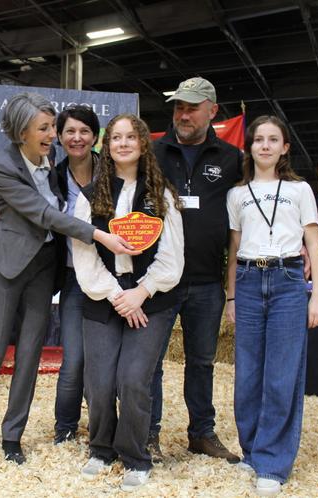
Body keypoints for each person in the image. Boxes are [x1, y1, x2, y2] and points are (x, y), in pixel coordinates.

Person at [0, 93, 139, 465]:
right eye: (45, 128)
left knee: (29, 356)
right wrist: (98, 234)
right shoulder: (2, 168)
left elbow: (53, 206)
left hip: (41, 268)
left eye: (52, 128)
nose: (53, 135)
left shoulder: (47, 160)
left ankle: (13, 436)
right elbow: (43, 213)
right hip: (3, 268)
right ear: (22, 131)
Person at [74, 114, 184, 492]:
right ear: (106, 145)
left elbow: (172, 257)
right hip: (104, 295)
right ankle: (101, 448)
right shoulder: (89, 197)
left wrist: (143, 291)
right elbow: (84, 257)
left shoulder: (161, 195)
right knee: (100, 382)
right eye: (115, 137)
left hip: (150, 298)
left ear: (142, 144)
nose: (122, 143)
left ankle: (136, 456)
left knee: (135, 380)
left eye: (130, 137)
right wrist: (117, 295)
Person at [225, 115, 318, 497]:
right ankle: (251, 452)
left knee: (282, 374)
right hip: (250, 280)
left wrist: (316, 294)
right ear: (249, 147)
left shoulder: (300, 190)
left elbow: (313, 244)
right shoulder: (237, 195)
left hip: (287, 280)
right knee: (248, 374)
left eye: (273, 140)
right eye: (258, 140)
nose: (264, 146)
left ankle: (273, 462)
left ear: (285, 147)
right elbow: (234, 249)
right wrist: (232, 296)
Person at [149, 76, 242, 462]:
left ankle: (201, 433)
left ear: (212, 111)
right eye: (178, 107)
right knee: (150, 363)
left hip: (206, 281)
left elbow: (255, 206)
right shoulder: (152, 153)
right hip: (157, 278)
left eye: (191, 107)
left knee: (202, 363)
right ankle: (147, 434)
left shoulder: (232, 159)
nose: (183, 114)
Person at [52, 105, 101, 444]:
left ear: (95, 137)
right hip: (72, 279)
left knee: (104, 360)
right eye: (70, 131)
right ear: (59, 137)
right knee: (74, 359)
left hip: (110, 280)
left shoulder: (113, 175)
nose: (77, 137)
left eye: (84, 131)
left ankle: (103, 428)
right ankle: (65, 428)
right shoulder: (51, 177)